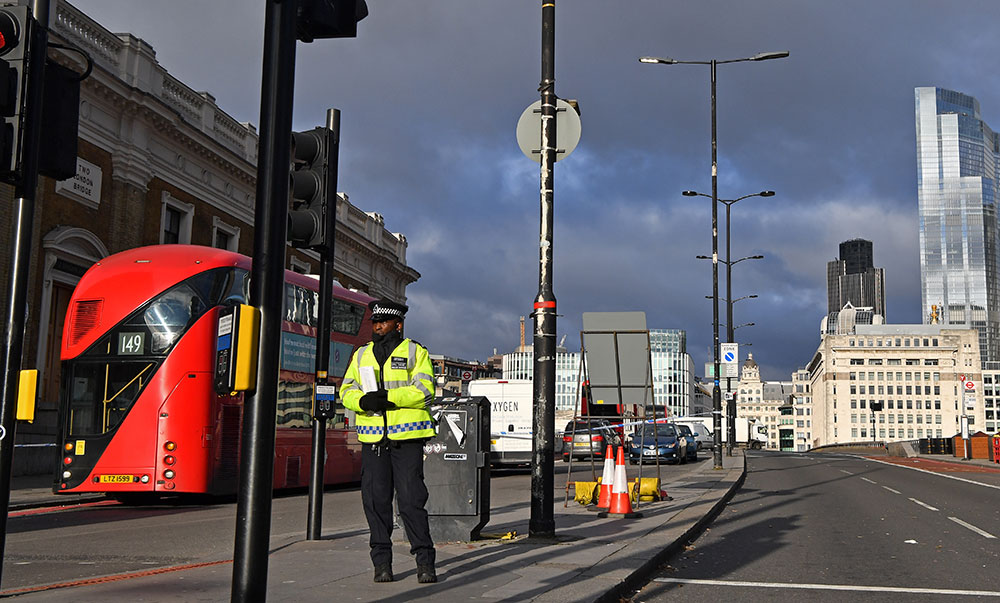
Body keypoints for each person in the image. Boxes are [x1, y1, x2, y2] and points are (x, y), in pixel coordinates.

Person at [340, 298, 437, 584]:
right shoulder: (361, 355)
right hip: (373, 440)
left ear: (398, 324)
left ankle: (425, 562)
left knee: (411, 502)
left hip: (407, 439)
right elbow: (346, 391)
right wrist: (363, 401)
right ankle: (381, 564)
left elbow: (425, 390)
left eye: (383, 322)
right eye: (375, 322)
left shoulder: (415, 352)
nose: (378, 326)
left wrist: (388, 398)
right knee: (375, 502)